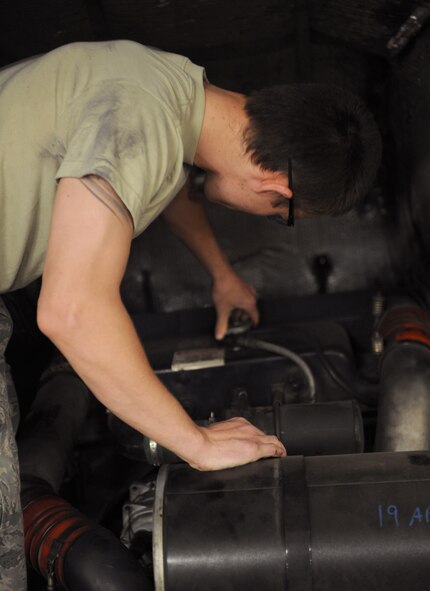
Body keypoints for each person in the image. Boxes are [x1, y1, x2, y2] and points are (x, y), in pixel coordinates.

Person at [0, 40, 381, 589]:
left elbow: (165, 183)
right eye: (285, 217)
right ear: (277, 190)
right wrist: (193, 441)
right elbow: (71, 310)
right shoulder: (142, 115)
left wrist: (222, 275)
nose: (276, 219)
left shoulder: (171, 89)